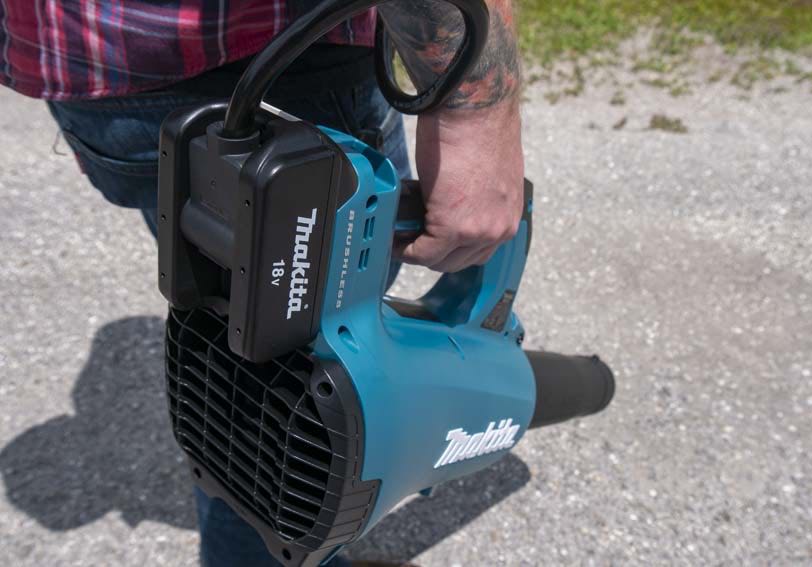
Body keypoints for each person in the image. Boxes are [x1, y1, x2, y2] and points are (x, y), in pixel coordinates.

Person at [0, 0, 524, 564]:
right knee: (296, 386)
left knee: (244, 350)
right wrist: (474, 107)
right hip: (283, 59)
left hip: (102, 79)